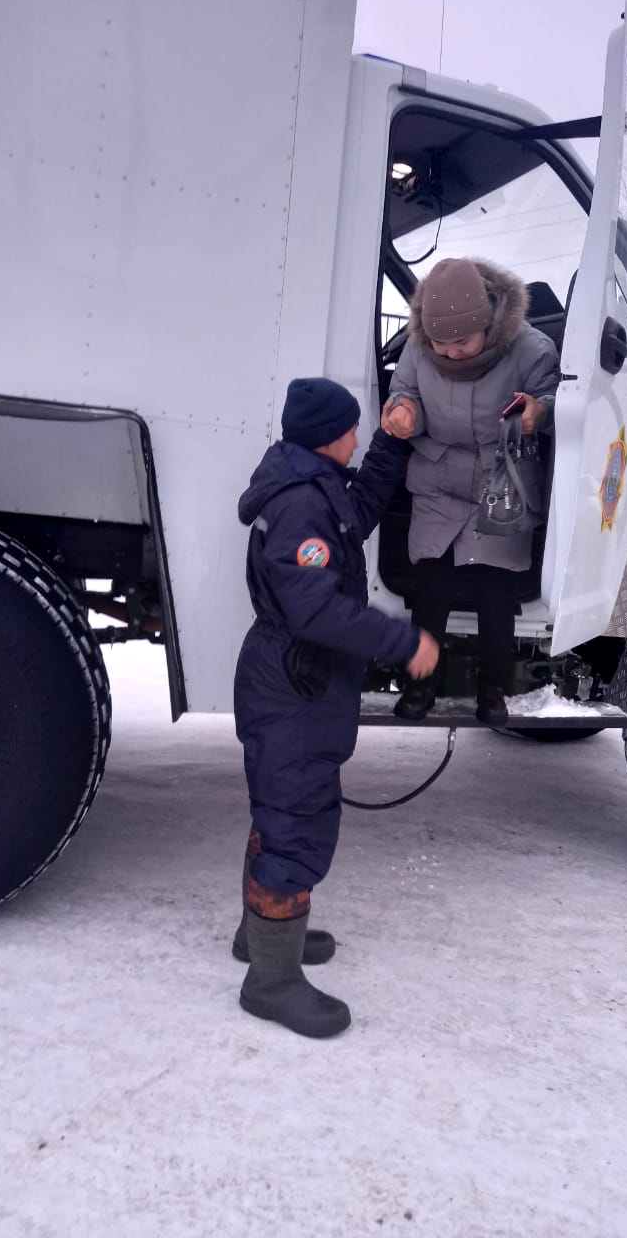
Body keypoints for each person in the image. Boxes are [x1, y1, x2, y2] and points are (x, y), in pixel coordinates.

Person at [233, 376, 439, 1039]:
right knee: (294, 820)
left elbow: (361, 509)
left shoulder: (315, 483)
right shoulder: (300, 508)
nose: (357, 436)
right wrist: (403, 641)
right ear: (329, 437)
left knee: (283, 812)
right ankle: (271, 980)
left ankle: (259, 936)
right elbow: (315, 607)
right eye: (354, 428)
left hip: (300, 683)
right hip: (294, 686)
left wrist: (391, 442)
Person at [384, 257, 559, 726]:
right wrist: (402, 412)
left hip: (501, 486)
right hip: (438, 483)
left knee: (495, 593)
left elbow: (559, 401)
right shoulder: (420, 348)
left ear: (487, 322)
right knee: (432, 589)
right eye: (441, 343)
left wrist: (539, 413)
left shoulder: (531, 348)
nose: (451, 352)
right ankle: (420, 687)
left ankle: (493, 691)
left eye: (461, 341)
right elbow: (405, 393)